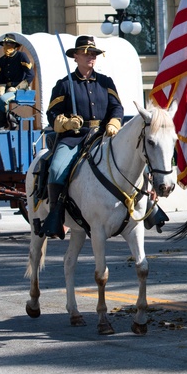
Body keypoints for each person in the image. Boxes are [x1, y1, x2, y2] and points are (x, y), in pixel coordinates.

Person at [35, 35, 123, 240]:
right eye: (86, 53)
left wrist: (114, 122)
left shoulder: (105, 82)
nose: (91, 56)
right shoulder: (65, 84)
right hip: (74, 139)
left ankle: (146, 208)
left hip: (102, 136)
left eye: (93, 53)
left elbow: (117, 107)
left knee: (135, 157)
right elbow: (52, 113)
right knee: (56, 169)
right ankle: (55, 217)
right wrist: (65, 122)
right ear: (75, 56)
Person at [0, 35, 34, 129]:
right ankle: (11, 116)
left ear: (14, 46)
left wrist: (18, 87)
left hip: (19, 89)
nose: (6, 46)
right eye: (4, 44)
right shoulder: (1, 60)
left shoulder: (21, 56)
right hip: (5, 88)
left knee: (3, 99)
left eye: (8, 44)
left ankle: (2, 122)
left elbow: (30, 74)